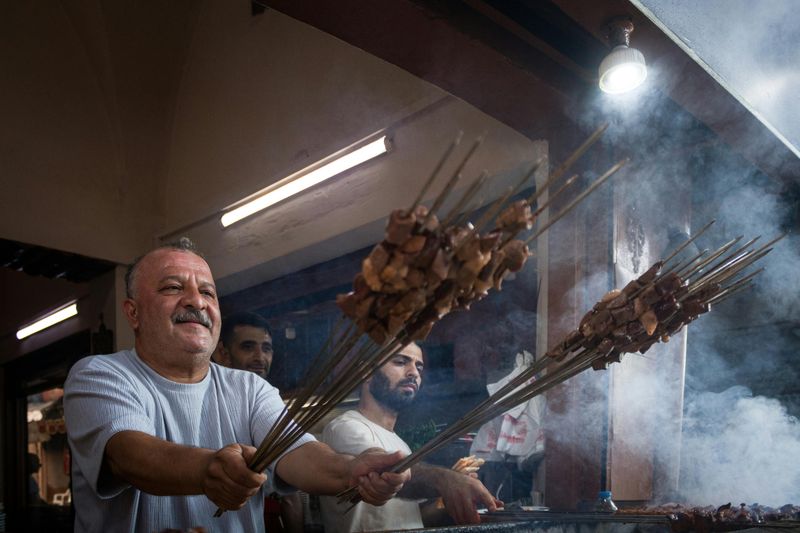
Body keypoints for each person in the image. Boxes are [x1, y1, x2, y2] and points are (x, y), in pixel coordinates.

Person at [63, 239, 409, 533]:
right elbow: (129, 456)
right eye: (173, 288)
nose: (197, 301)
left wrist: (351, 469)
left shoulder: (249, 388)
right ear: (133, 313)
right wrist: (209, 469)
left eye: (207, 292)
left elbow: (297, 452)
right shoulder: (100, 374)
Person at [320, 343, 501, 533]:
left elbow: (413, 518)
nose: (414, 373)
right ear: (367, 372)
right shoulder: (346, 427)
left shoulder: (400, 444)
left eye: (419, 367)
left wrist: (448, 499)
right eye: (400, 362)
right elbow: (385, 472)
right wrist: (446, 480)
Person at [216, 311, 303, 533]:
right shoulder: (208, 402)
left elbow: (290, 497)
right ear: (222, 353)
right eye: (248, 347)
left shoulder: (270, 401)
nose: (260, 357)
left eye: (266, 348)